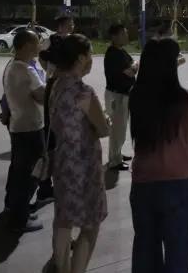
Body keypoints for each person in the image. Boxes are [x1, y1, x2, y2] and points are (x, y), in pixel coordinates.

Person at [129, 37, 188, 273]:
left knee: (145, 246)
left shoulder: (137, 97)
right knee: (179, 246)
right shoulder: (187, 100)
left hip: (144, 181)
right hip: (178, 182)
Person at [49, 34, 109, 273]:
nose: (92, 59)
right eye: (90, 54)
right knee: (90, 224)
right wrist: (105, 120)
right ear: (81, 58)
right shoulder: (84, 92)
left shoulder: (55, 86)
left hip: (63, 160)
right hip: (85, 166)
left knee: (63, 220)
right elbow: (103, 130)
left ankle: (61, 267)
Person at [4, 30, 47, 233]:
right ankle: (19, 217)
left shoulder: (13, 65)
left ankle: (14, 208)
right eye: (37, 42)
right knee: (31, 172)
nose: (39, 46)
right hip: (30, 127)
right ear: (28, 45)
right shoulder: (25, 69)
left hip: (18, 125)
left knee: (18, 171)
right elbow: (42, 96)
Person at [37, 15, 74, 203]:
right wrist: (50, 72)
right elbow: (42, 57)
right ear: (61, 25)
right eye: (70, 23)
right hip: (56, 84)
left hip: (65, 85)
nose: (72, 26)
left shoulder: (72, 41)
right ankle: (45, 185)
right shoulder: (50, 40)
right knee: (51, 138)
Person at [104, 24, 137, 171]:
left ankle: (117, 153)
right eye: (123, 34)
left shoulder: (120, 51)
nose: (126, 36)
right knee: (117, 129)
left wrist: (133, 65)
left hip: (122, 94)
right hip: (116, 95)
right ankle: (114, 161)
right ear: (114, 36)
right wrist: (135, 65)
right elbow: (130, 71)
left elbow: (131, 67)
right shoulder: (113, 54)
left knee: (121, 128)